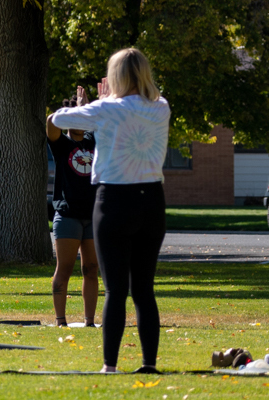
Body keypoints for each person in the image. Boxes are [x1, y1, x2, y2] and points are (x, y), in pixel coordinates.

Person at [51, 48, 169, 374]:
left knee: (116, 289)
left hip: (114, 200)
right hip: (151, 201)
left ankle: (111, 366)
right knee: (144, 289)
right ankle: (148, 364)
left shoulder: (105, 109)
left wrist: (89, 106)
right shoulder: (161, 108)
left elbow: (58, 120)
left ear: (115, 76)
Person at [47, 84, 99, 328]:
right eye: (74, 117)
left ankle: (89, 322)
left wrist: (87, 108)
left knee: (91, 269)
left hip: (92, 217)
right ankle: (61, 321)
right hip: (67, 217)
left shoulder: (93, 141)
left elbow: (104, 123)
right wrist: (72, 110)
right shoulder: (62, 144)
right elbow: (50, 122)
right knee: (64, 269)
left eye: (82, 117)